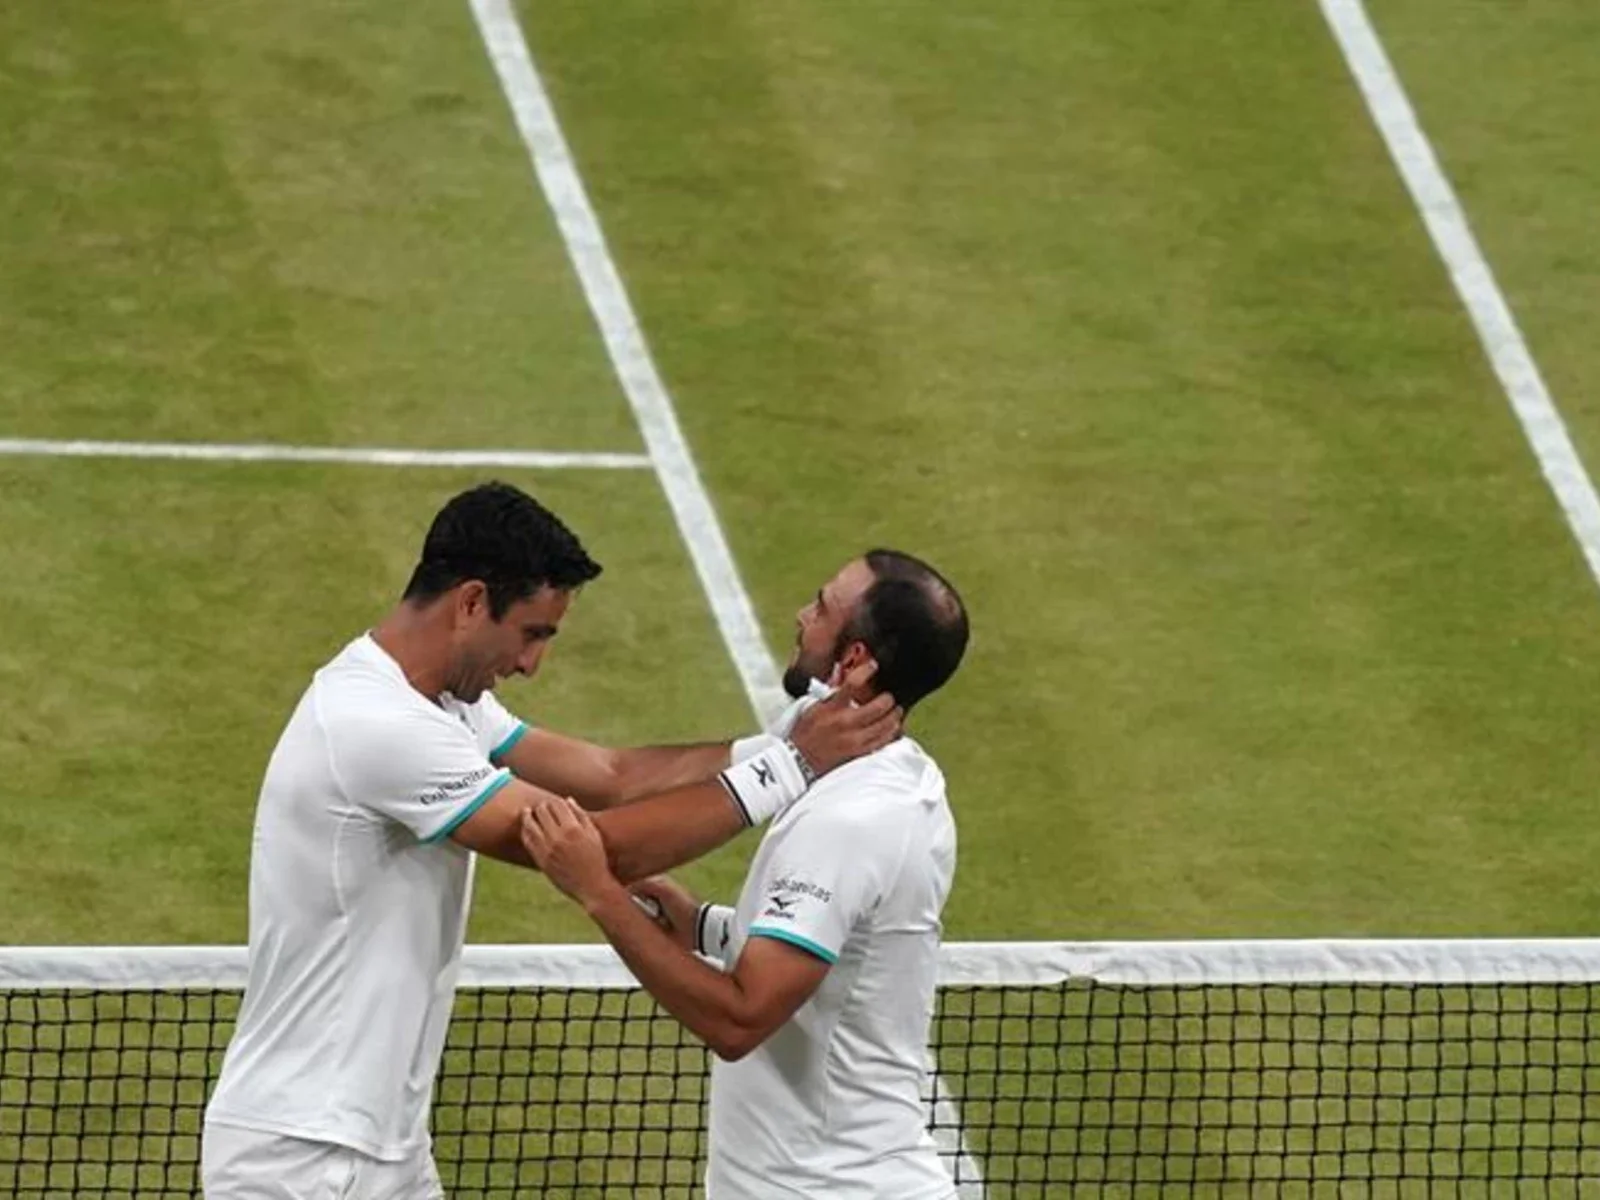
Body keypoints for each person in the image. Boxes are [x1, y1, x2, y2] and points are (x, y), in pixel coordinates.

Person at [200, 482, 899, 1200]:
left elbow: (611, 776)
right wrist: (794, 768)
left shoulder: (446, 705)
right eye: (532, 633)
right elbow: (594, 849)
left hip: (382, 1150)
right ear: (472, 602)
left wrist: (783, 740)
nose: (530, 665)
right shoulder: (376, 724)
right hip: (301, 1157)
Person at [523, 548, 970, 1200]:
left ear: (854, 661)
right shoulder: (873, 769)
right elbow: (839, 949)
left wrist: (599, 894)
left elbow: (740, 1019)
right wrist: (703, 927)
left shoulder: (853, 818)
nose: (802, 615)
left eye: (822, 608)